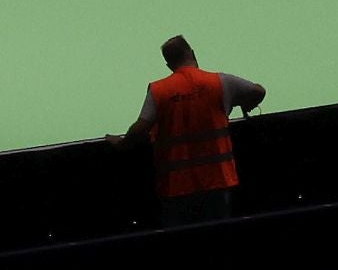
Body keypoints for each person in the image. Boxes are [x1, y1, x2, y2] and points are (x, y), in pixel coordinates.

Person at [106, 34, 265, 226]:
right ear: (193, 54)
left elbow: (142, 126)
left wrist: (122, 143)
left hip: (176, 186)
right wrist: (243, 104)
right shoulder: (220, 82)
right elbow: (258, 91)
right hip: (217, 181)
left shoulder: (159, 90)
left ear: (169, 65)